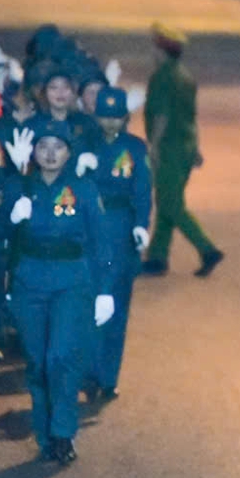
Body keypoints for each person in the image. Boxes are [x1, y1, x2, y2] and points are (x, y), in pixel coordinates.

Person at [0, 115, 117, 464]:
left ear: (68, 153)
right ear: (33, 152)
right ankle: (45, 433)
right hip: (28, 281)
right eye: (43, 147)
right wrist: (11, 215)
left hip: (71, 281)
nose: (50, 154)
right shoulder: (19, 186)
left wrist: (106, 290)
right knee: (37, 362)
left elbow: (102, 244)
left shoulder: (82, 189)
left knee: (61, 357)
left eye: (58, 147)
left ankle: (63, 432)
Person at [82, 87, 151, 400]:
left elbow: (142, 189)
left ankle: (108, 376)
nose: (110, 123)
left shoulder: (135, 148)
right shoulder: (84, 143)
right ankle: (89, 371)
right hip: (88, 229)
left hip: (120, 229)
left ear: (126, 117)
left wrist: (140, 225)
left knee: (117, 303)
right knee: (88, 300)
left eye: (116, 117)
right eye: (105, 116)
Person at [141, 24, 223, 278]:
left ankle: (207, 248)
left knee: (170, 203)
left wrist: (153, 146)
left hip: (169, 148)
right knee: (169, 200)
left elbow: (162, 115)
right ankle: (157, 257)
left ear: (160, 50)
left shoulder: (162, 77)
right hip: (185, 147)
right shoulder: (185, 76)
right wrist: (196, 147)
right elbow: (191, 115)